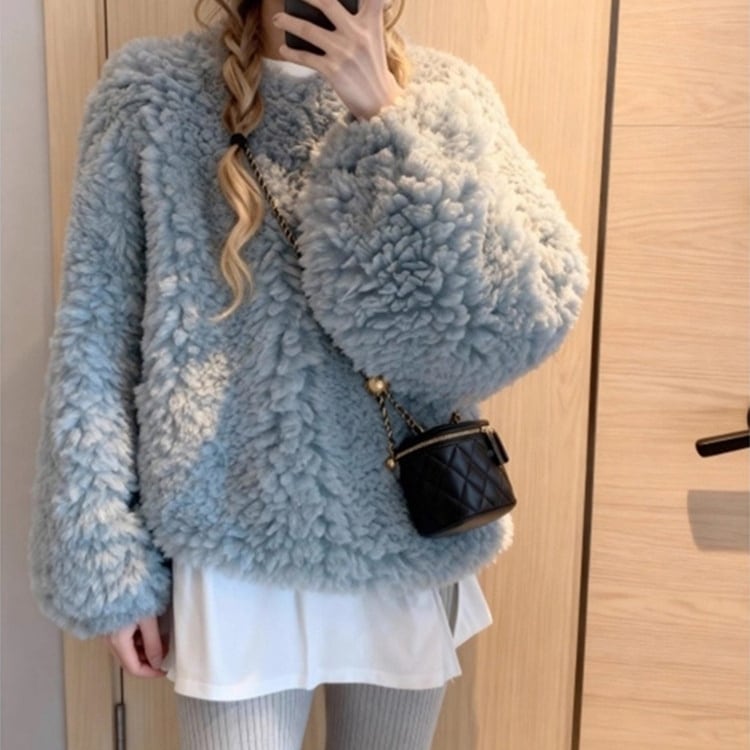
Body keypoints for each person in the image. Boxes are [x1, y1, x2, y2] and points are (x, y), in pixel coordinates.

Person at [26, 0, 590, 747]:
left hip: (403, 530)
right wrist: (106, 560)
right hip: (230, 540)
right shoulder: (153, 94)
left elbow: (509, 326)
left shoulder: (446, 96)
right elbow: (97, 335)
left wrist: (385, 118)